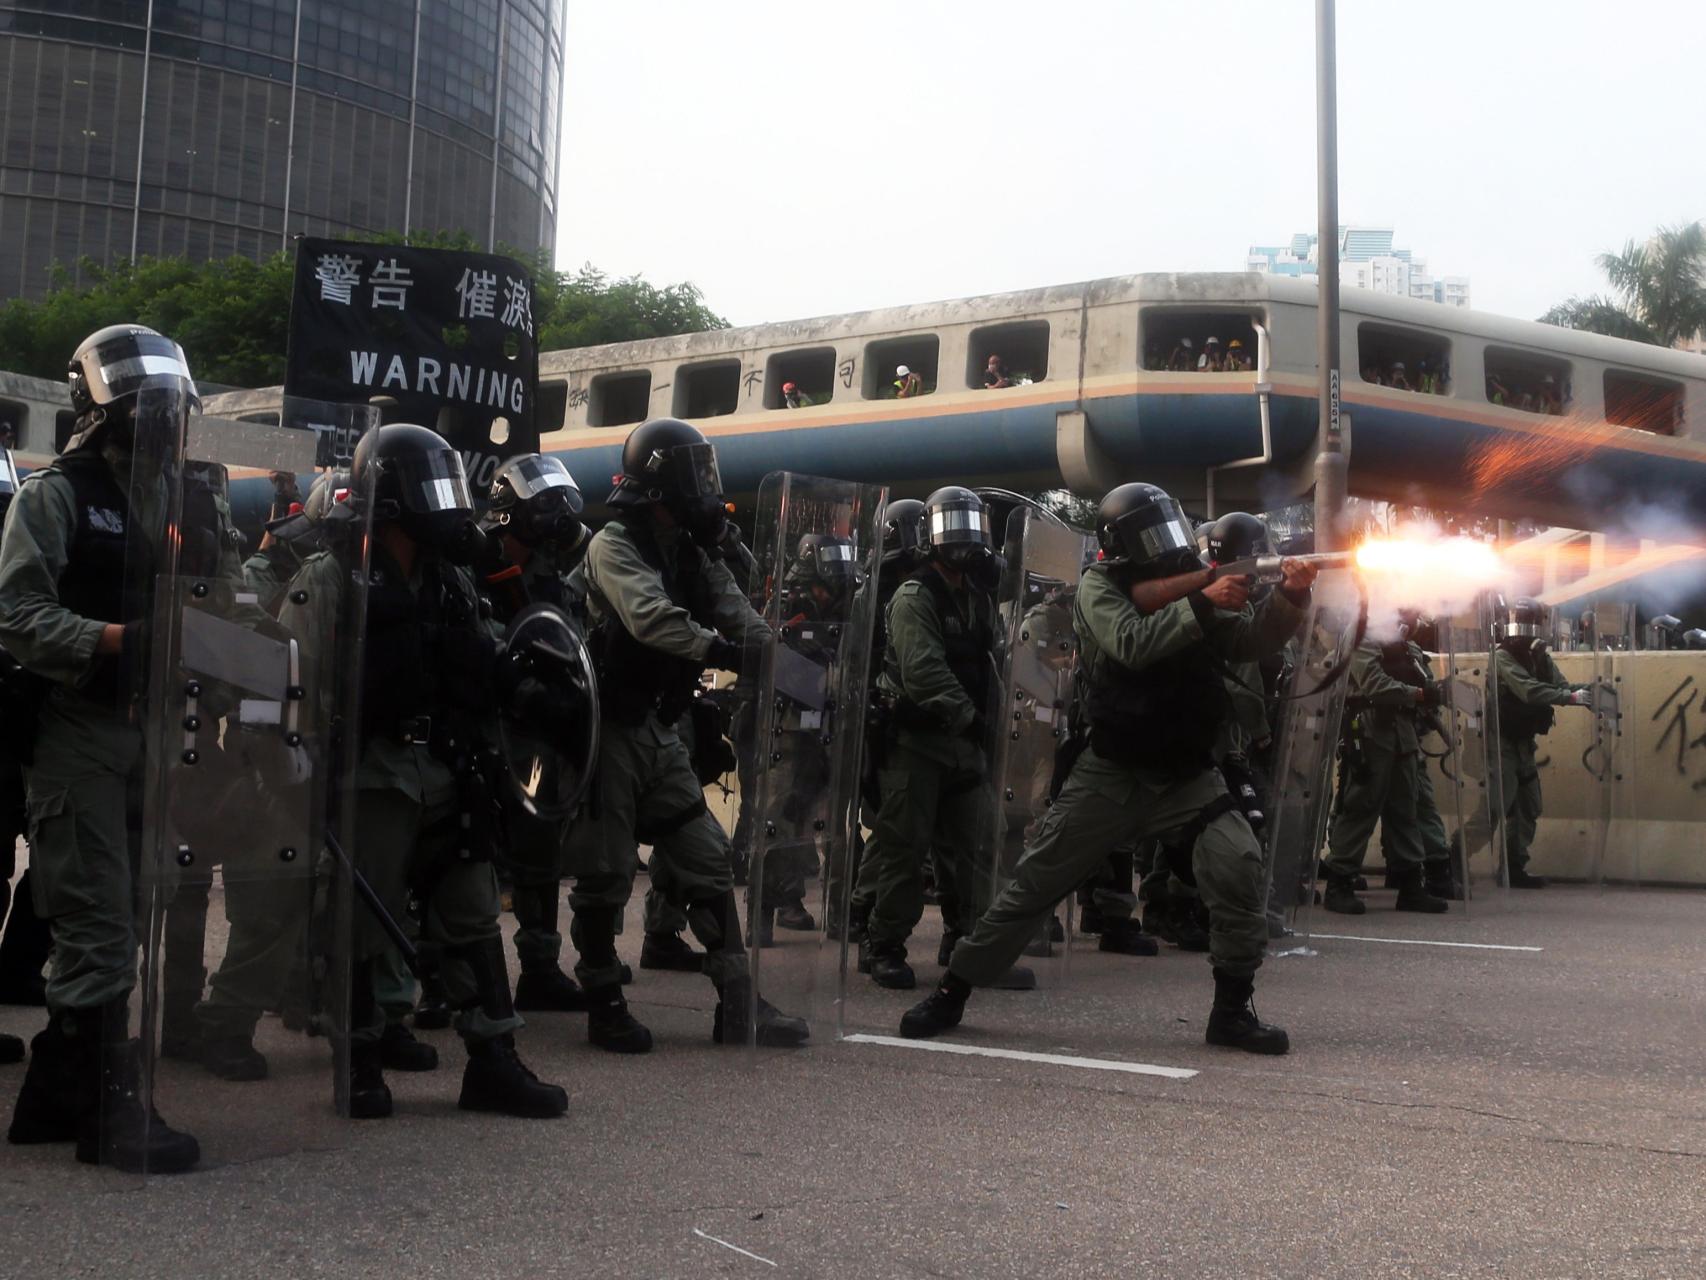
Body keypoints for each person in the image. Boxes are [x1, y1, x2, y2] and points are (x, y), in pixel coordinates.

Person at [898, 482, 1316, 1054]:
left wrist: (1289, 597)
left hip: (1186, 771)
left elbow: (1245, 643)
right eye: (1154, 534)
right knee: (1033, 885)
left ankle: (1232, 1009)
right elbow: (1131, 643)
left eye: (1171, 530)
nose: (1169, 546)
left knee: (1238, 865)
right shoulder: (1100, 585)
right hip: (1113, 770)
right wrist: (1202, 599)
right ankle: (953, 989)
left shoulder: (1195, 578)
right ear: (1122, 542)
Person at [283, 423, 569, 1119]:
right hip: (370, 775)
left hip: (446, 769)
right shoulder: (330, 580)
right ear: (391, 499)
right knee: (360, 921)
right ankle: (357, 1059)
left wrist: (529, 683)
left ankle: (493, 1060)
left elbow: (489, 656)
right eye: (430, 489)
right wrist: (301, 778)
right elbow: (294, 685)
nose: (446, 506)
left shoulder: (451, 585)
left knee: (472, 913)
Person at [0, 324, 204, 1170]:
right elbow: (15, 616)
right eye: (143, 403)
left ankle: (54, 1092)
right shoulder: (54, 496)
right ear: (105, 407)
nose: (159, 418)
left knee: (122, 915)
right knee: (96, 929)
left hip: (149, 735)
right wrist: (123, 638)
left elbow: (213, 596)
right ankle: (105, 1115)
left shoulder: (182, 499)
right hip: (77, 732)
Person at [564, 417, 808, 1048]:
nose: (709, 490)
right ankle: (603, 1001)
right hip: (609, 731)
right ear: (663, 486)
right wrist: (723, 652)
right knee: (608, 872)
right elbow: (651, 620)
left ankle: (739, 1001)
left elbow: (742, 617)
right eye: (697, 476)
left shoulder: (693, 556)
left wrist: (795, 670)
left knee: (704, 854)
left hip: (660, 726)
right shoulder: (613, 546)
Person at [857, 487, 1018, 992]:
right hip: (916, 744)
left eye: (973, 527)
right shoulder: (914, 596)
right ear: (929, 536)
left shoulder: (974, 598)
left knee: (978, 845)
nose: (965, 540)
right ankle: (884, 946)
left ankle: (970, 945)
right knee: (905, 850)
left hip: (963, 743)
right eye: (954, 527)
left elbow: (991, 660)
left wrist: (1002, 713)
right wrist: (973, 718)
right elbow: (923, 672)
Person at [477, 453, 595, 1018]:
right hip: (481, 728)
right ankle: (439, 980)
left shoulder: (550, 572)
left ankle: (541, 970)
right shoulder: (474, 561)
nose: (552, 519)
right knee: (460, 858)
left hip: (534, 736)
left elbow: (570, 635)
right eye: (540, 506)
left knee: (539, 853)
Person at [1319, 612, 1451, 915]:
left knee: (1405, 807)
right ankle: (1340, 882)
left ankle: (1410, 887)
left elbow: (1413, 675)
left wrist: (1427, 694)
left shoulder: (1399, 638)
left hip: (1400, 729)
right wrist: (1419, 694)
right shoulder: (1364, 630)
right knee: (1361, 805)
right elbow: (1374, 684)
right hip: (1370, 729)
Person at [1463, 596, 1596, 888]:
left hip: (1522, 742)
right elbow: (1529, 691)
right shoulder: (1502, 657)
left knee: (1528, 806)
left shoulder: (1538, 657)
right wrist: (1571, 698)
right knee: (1495, 808)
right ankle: (1450, 861)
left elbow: (1559, 687)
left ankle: (1513, 867)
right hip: (1500, 743)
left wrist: (1591, 692)